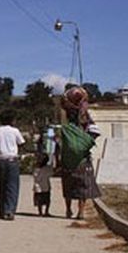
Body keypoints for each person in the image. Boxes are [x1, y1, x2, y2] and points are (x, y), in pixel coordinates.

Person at [56, 86, 101, 220]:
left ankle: (68, 210)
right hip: (82, 159)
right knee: (83, 186)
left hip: (67, 160)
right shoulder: (85, 124)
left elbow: (58, 142)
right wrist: (85, 142)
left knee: (68, 186)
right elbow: (95, 132)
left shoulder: (65, 126)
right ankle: (80, 212)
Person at [0, 109, 25, 220]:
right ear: (12, 120)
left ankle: (1, 210)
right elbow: (21, 143)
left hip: (0, 160)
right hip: (12, 160)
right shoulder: (15, 131)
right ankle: (9, 210)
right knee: (12, 187)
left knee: (2, 186)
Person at [33, 129, 54, 217]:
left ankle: (40, 212)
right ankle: (46, 212)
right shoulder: (47, 169)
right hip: (46, 187)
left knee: (39, 200)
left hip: (37, 188)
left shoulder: (36, 169)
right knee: (47, 199)